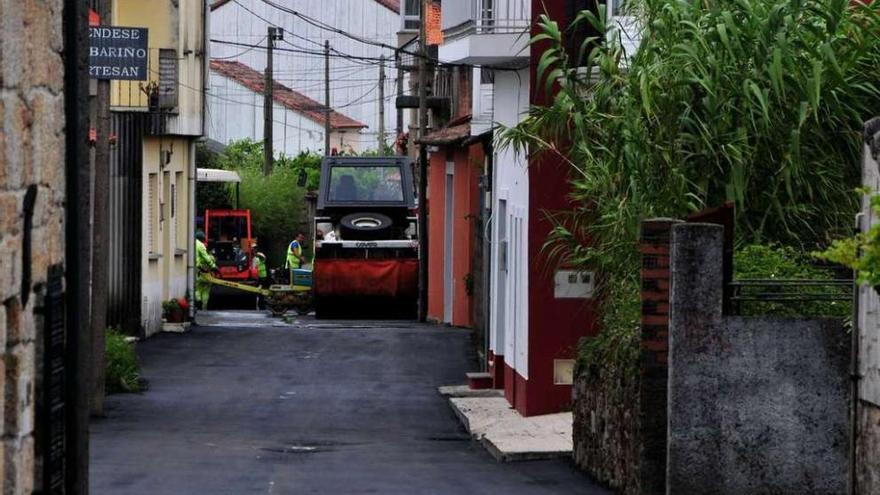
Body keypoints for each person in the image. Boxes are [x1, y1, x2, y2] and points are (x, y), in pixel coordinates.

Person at [195, 230, 217, 310]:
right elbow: (209, 260)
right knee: (206, 292)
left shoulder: (194, 244)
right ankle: (204, 306)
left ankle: (198, 302)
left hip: (199, 274)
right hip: (208, 276)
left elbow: (200, 261)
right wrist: (214, 267)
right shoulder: (209, 256)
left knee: (197, 289)